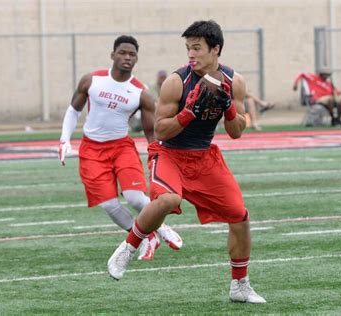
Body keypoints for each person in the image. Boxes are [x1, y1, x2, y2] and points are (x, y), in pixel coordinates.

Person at [107, 21, 266, 304]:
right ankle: (129, 246)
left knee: (239, 216)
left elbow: (236, 132)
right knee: (168, 199)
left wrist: (228, 105)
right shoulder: (176, 81)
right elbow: (161, 131)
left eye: (197, 48)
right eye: (188, 48)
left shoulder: (234, 80)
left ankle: (240, 285)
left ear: (215, 49)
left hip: (204, 156)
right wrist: (189, 112)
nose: (191, 55)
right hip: (169, 154)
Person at [58, 35, 182, 261]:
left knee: (135, 198)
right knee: (108, 204)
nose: (127, 57)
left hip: (121, 148)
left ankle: (163, 228)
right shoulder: (91, 80)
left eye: (132, 54)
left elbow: (150, 130)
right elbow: (73, 109)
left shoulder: (141, 92)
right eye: (123, 53)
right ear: (112, 55)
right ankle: (146, 237)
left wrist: (159, 155)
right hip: (91, 151)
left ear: (136, 59)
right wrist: (65, 139)